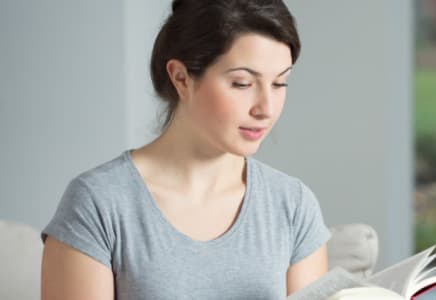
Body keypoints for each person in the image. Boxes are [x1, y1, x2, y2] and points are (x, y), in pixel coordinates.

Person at [40, 0, 330, 299]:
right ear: (181, 78)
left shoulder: (293, 206)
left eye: (280, 83)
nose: (266, 109)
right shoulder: (99, 203)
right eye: (242, 83)